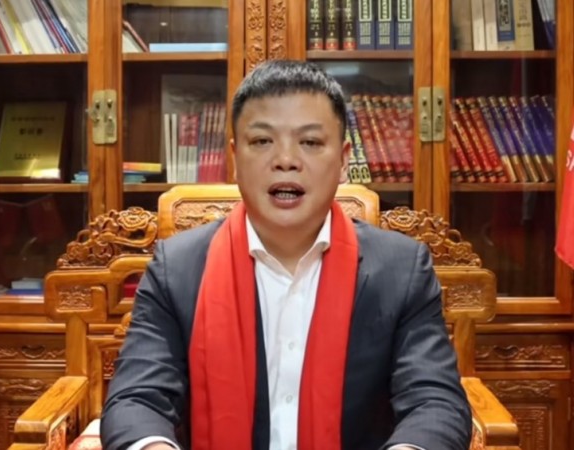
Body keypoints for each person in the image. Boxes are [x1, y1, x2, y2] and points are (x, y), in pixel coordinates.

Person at [100, 59, 472, 450]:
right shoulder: (176, 269)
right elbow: (135, 400)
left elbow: (435, 402)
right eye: (262, 141)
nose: (286, 160)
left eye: (310, 142)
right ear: (234, 159)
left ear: (344, 160)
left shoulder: (401, 271)